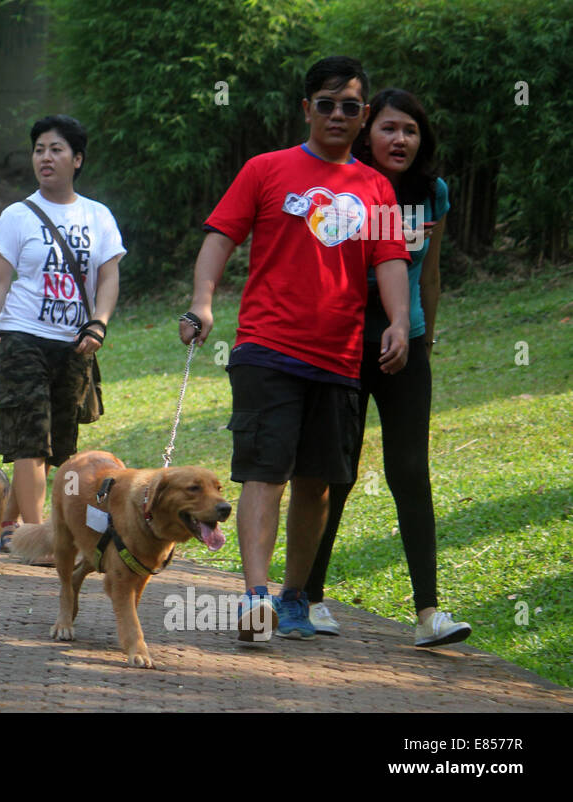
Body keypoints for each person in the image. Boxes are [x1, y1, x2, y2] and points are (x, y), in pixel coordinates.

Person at [179, 56, 411, 643]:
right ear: (307, 109)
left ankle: (294, 600)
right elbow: (220, 237)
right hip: (267, 348)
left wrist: (400, 322)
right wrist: (203, 303)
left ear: (362, 117)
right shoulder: (266, 169)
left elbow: (389, 261)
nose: (338, 115)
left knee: (320, 482)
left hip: (339, 357)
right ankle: (256, 598)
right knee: (265, 472)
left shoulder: (376, 186)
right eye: (326, 104)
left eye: (350, 107)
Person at [304, 88, 470, 648]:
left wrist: (426, 339)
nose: (400, 139)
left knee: (410, 472)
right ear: (367, 132)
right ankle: (309, 597)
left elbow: (430, 275)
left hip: (407, 347)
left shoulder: (432, 193)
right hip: (346, 347)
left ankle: (429, 615)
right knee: (336, 473)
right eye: (390, 128)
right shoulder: (343, 187)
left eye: (412, 131)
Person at [0, 114, 124, 551]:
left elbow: (109, 277)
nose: (45, 157)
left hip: (75, 341)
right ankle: (40, 539)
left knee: (59, 444)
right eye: (39, 149)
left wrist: (99, 322)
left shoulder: (98, 216)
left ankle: (5, 526)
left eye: (56, 149)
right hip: (22, 336)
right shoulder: (17, 215)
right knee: (30, 440)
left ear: (77, 159)